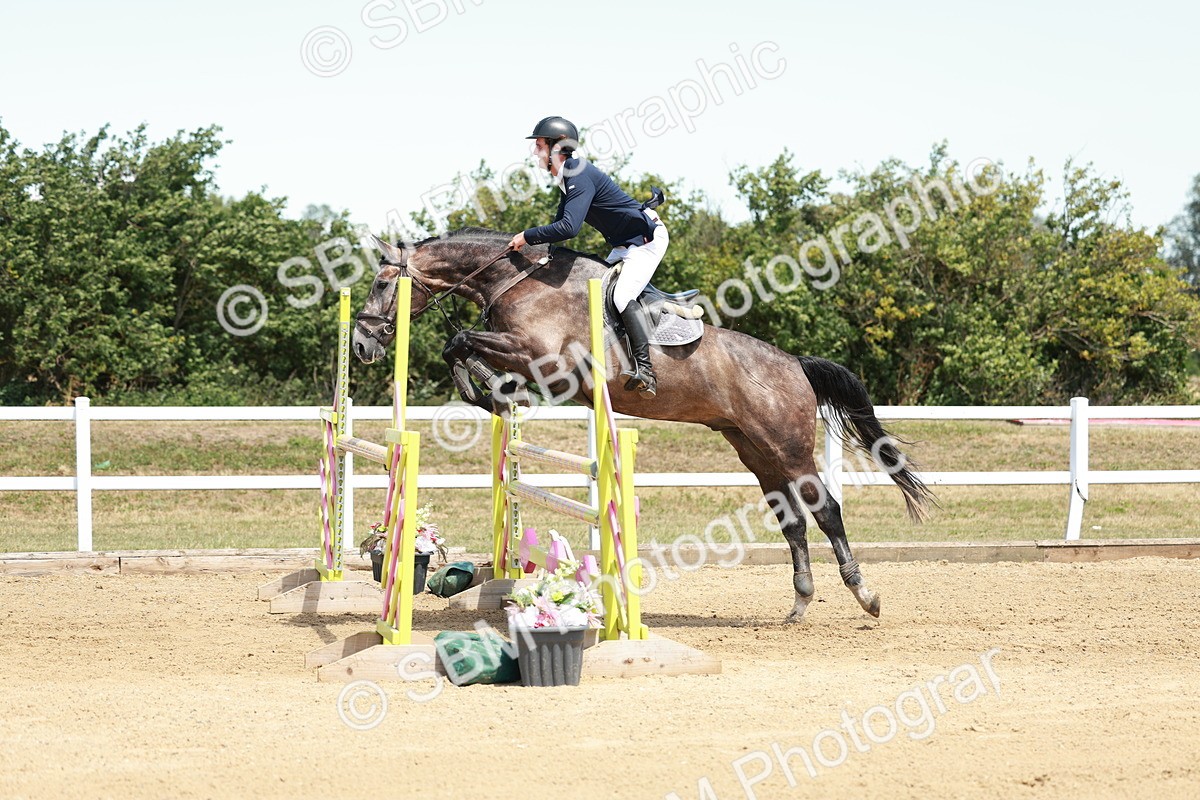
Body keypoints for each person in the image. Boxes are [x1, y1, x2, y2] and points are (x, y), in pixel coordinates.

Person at [507, 116, 668, 398]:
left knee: (620, 296)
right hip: (623, 243)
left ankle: (646, 370)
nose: (535, 151)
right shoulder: (566, 176)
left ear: (557, 147)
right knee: (592, 291)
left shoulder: (577, 174)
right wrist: (536, 251)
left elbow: (569, 228)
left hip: (645, 241)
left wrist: (526, 236)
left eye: (539, 145)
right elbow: (558, 224)